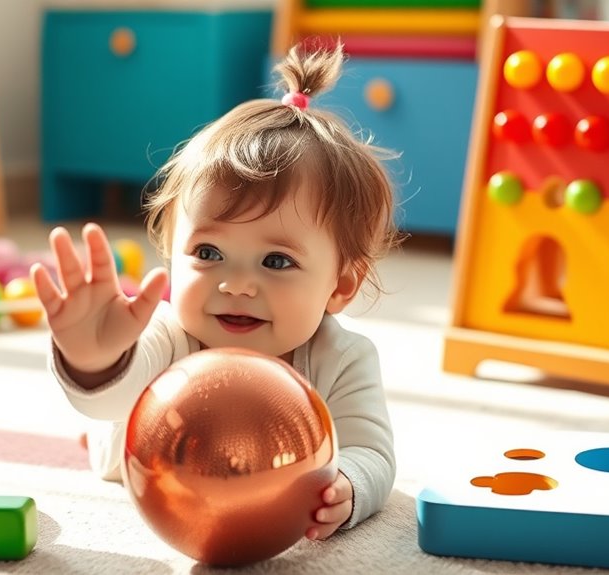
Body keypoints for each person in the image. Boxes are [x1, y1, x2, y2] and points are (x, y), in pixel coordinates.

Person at [32, 42, 398, 541]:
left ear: (341, 286)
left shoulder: (343, 357)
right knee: (107, 425)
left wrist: (349, 485)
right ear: (169, 251)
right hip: (151, 472)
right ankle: (102, 441)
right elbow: (108, 397)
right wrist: (94, 358)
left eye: (276, 261)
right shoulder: (168, 333)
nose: (236, 284)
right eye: (207, 253)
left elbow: (371, 452)